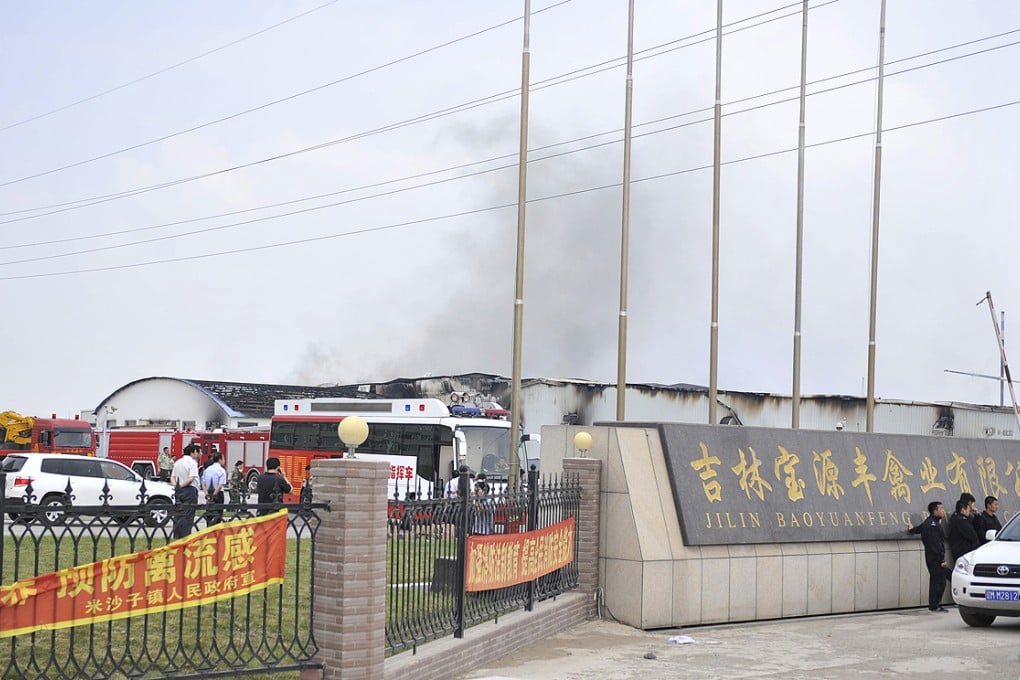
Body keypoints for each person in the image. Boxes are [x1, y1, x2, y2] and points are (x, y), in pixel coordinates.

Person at [907, 501, 951, 612]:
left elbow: (919, 529)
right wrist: (942, 560)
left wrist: (911, 529)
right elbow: (935, 544)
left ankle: (935, 605)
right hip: (935, 558)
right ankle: (934, 605)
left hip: (932, 557)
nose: (943, 511)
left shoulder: (930, 522)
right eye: (941, 509)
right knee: (939, 582)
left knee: (938, 581)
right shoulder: (933, 525)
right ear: (935, 511)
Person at [170, 444, 201, 540]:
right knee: (188, 515)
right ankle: (185, 536)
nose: (200, 454)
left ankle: (177, 535)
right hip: (189, 490)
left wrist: (176, 486)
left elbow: (172, 477)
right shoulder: (192, 463)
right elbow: (191, 478)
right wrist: (181, 485)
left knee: (178, 513)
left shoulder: (178, 462)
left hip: (179, 491)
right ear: (194, 452)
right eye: (199, 452)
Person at [203, 451, 227, 526]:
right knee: (218, 516)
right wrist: (214, 495)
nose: (224, 461)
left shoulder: (207, 470)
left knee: (209, 515)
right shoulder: (221, 470)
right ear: (220, 459)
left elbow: (203, 484)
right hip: (218, 495)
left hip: (208, 493)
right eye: (223, 459)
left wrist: (207, 495)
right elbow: (220, 486)